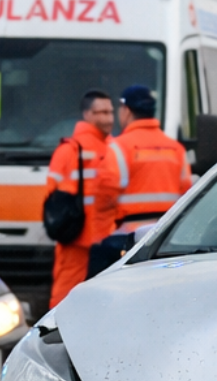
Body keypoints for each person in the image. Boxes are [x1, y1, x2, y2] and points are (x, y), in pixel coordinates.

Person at [89, 85, 192, 277]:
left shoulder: (118, 148)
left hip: (125, 241)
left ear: (126, 110)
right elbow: (187, 194)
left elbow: (104, 197)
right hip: (164, 240)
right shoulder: (176, 149)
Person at [44, 90, 125, 307]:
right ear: (87, 114)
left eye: (110, 112)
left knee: (66, 297)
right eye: (102, 112)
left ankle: (57, 337)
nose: (109, 118)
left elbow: (51, 194)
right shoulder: (115, 149)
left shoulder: (69, 150)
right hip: (98, 238)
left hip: (80, 236)